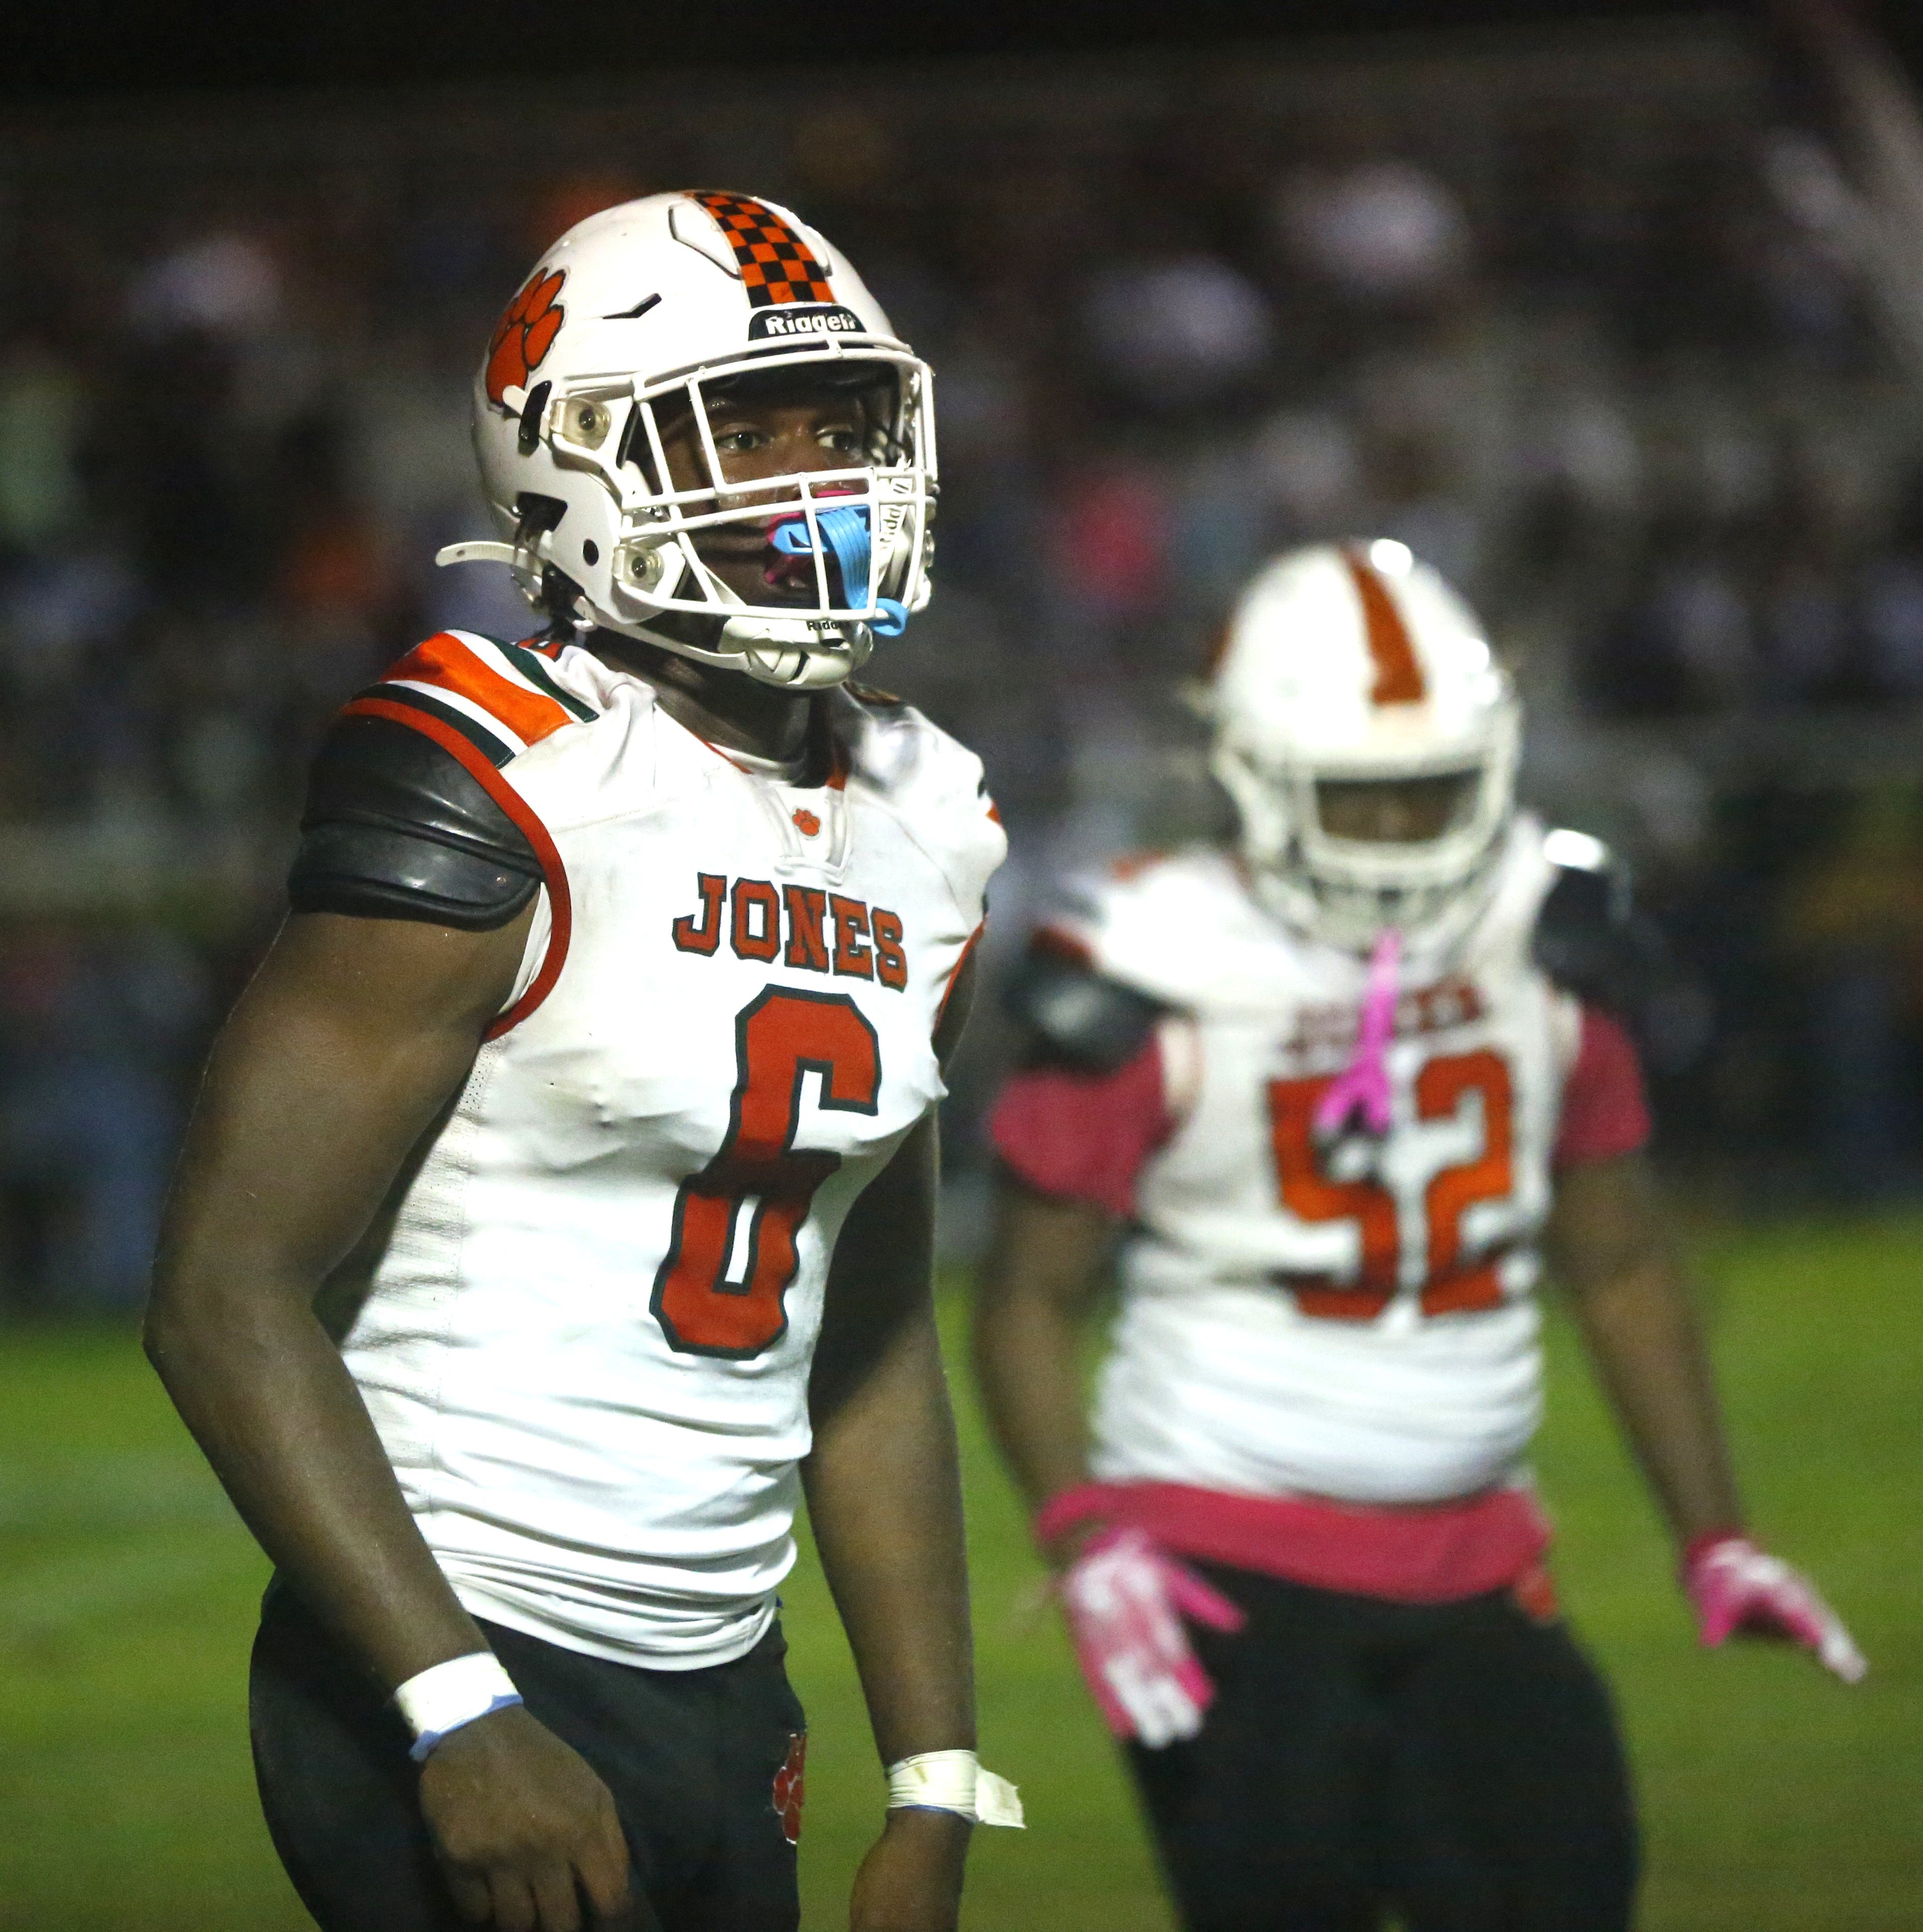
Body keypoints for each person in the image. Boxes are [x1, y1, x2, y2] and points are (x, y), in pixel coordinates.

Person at [145, 191, 1016, 1932]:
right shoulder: (506, 767)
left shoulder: (931, 817)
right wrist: (456, 1709)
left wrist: (933, 1776)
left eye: (840, 425)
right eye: (741, 435)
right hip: (460, 1632)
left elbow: (868, 1329)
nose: (816, 481)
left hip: (728, 1667)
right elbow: (226, 1297)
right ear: (579, 464)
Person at [972, 540, 1863, 1932]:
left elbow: (1621, 1260)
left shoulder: (1542, 933)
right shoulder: (1158, 960)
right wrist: (1086, 1534)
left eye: (1429, 790)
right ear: (1254, 774)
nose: (1398, 831)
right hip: (1221, 1552)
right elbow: (1028, 1298)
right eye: (1359, 796)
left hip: (1484, 1551)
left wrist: (1715, 1535)